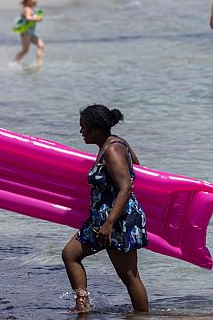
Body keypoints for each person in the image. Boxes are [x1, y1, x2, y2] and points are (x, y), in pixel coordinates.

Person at [61, 105, 149, 314]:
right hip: (100, 220)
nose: (81, 131)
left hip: (117, 220)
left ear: (97, 129)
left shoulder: (112, 150)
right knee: (70, 254)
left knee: (129, 276)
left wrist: (109, 224)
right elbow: (136, 165)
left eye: (84, 128)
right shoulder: (115, 144)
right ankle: (82, 306)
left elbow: (126, 187)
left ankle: (143, 316)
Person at [13, 0, 45, 65]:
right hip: (25, 33)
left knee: (41, 45)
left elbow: (32, 17)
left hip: (31, 33)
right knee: (25, 51)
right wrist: (38, 19)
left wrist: (38, 16)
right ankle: (14, 63)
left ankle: (39, 64)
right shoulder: (27, 9)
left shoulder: (32, 9)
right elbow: (28, 18)